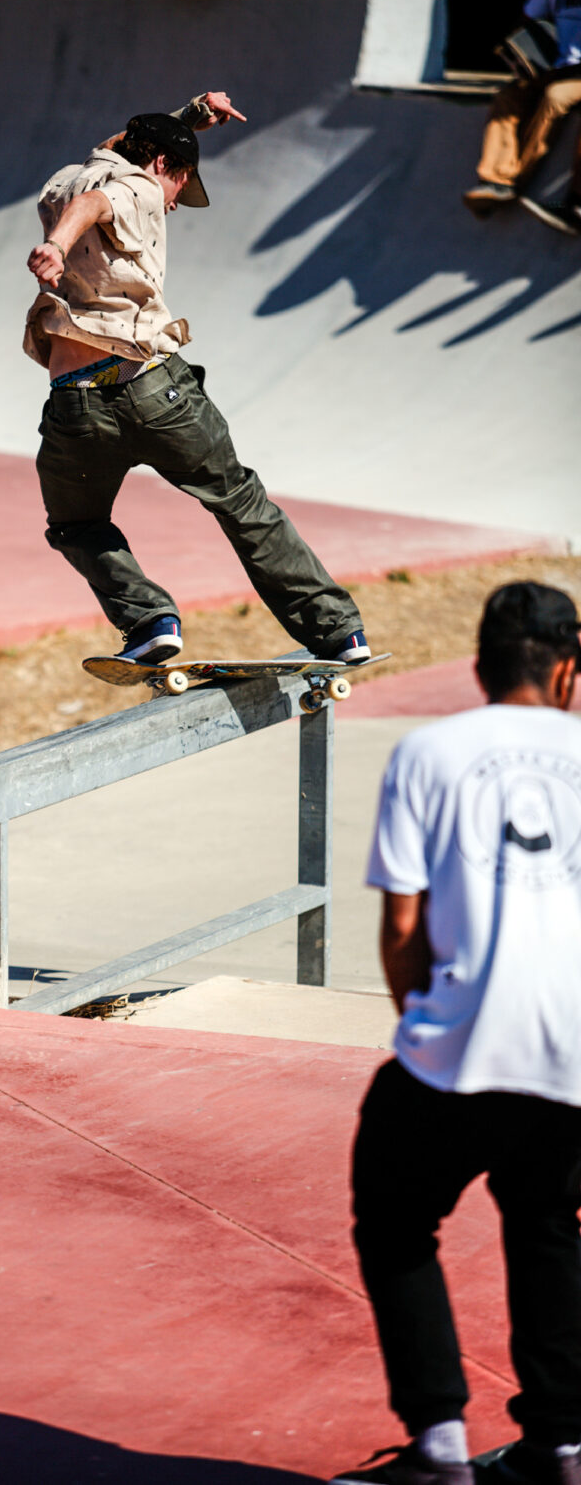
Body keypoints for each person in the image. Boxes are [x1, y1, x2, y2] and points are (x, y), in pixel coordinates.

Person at [331, 581, 581, 1485]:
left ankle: (438, 1445)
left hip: (462, 1049)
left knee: (396, 1221)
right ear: (567, 672)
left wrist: (423, 1028)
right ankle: (564, 1446)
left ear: (480, 666)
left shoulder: (428, 751)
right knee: (550, 1220)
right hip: (572, 1062)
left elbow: (402, 927)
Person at [23, 92, 370, 668]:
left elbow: (103, 161)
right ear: (162, 165)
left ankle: (148, 621)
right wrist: (56, 246)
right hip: (156, 391)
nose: (177, 202)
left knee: (76, 523)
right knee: (240, 501)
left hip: (78, 410)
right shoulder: (134, 191)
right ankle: (338, 631)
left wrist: (184, 121)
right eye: (183, 183)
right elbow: (97, 201)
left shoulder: (63, 179)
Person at [464, 0, 581, 234]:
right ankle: (497, 180)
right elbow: (527, 19)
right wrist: (522, 53)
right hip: (558, 67)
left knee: (555, 97)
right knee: (509, 97)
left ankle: (567, 199)